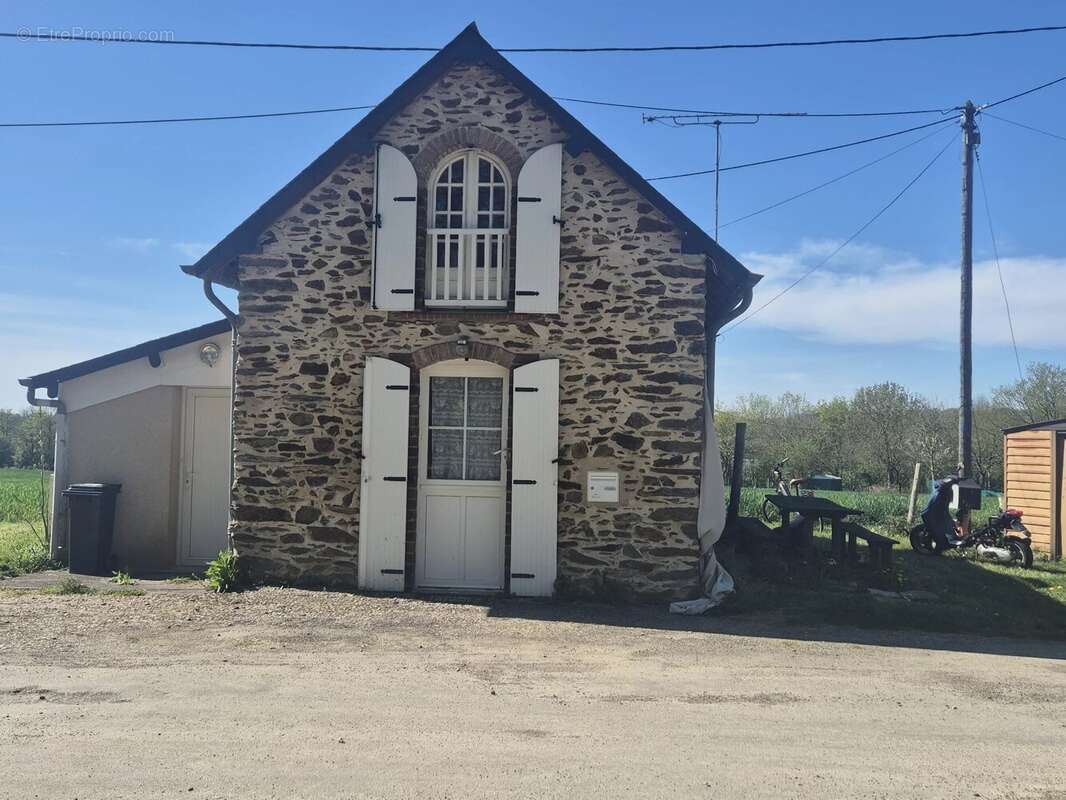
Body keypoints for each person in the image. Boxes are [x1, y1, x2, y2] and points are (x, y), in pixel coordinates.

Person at [921, 475, 961, 550]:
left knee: (951, 526)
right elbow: (936, 511)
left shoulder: (942, 493)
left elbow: (944, 511)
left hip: (935, 515)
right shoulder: (940, 494)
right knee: (940, 536)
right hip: (931, 516)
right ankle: (931, 547)